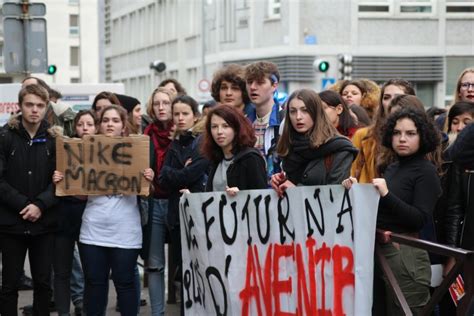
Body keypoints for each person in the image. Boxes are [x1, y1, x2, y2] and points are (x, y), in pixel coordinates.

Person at [55, 105, 153, 316]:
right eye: (106, 120)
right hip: (93, 230)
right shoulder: (87, 152)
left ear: (122, 125)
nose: (110, 124)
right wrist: (64, 182)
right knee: (95, 284)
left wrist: (147, 180)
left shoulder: (135, 150)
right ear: (99, 125)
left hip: (126, 231)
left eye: (115, 120)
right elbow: (81, 194)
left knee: (125, 282)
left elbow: (145, 193)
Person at [343, 107, 442, 315]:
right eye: (397, 133)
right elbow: (380, 212)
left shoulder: (426, 171)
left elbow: (419, 219)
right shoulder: (392, 167)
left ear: (422, 136)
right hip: (378, 253)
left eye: (410, 133)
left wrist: (387, 195)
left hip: (406, 256)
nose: (402, 139)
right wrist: (356, 192)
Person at [0, 84, 58, 315]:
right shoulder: (4, 137)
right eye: (30, 105)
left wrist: (41, 205)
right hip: (11, 224)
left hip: (44, 224)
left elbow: (62, 181)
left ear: (46, 108)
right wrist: (24, 205)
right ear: (20, 106)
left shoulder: (55, 140)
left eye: (40, 106)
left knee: (43, 284)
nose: (35, 110)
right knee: (9, 285)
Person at [158, 95, 208, 315]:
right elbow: (163, 178)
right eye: (176, 114)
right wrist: (177, 173)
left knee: (197, 271)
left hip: (196, 214)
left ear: (195, 116)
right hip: (176, 215)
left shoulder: (202, 143)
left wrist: (175, 173)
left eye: (185, 113)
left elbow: (192, 174)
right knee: (182, 271)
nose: (180, 118)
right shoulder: (176, 142)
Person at [52, 110, 98, 316]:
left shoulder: (103, 152)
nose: (85, 128)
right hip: (64, 216)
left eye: (89, 124)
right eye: (81, 124)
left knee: (90, 271)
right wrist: (55, 178)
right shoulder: (64, 149)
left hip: (89, 217)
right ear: (75, 127)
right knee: (61, 271)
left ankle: (86, 308)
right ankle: (63, 311)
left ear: (96, 127)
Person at [271, 89, 357, 196]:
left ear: (316, 112)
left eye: (305, 110)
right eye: (293, 111)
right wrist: (280, 181)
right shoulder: (290, 144)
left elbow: (335, 196)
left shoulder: (339, 147)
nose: (298, 117)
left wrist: (297, 191)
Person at [435, 102, 474, 315]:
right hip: (466, 249)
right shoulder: (459, 162)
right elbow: (455, 209)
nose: (459, 128)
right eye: (455, 122)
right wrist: (452, 254)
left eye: (466, 123)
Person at [142, 87, 175, 316]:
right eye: (157, 104)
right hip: (154, 203)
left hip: (177, 202)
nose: (161, 107)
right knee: (154, 265)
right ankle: (157, 313)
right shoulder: (145, 136)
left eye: (166, 103)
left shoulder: (184, 134)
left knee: (185, 261)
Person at [351, 79, 416, 183]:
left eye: (398, 97)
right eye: (386, 97)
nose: (391, 102)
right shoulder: (363, 135)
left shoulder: (422, 135)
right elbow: (352, 173)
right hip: (369, 195)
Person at [201, 105, 267, 193]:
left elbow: (260, 197)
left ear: (236, 129)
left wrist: (241, 194)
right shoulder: (216, 159)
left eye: (225, 126)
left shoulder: (251, 158)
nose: (219, 132)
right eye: (214, 127)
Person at [244, 61, 283, 182]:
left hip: (279, 192)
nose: (253, 87)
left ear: (274, 86)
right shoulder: (243, 123)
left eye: (260, 82)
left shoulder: (285, 120)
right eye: (249, 82)